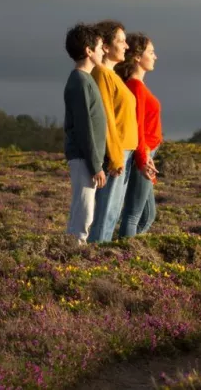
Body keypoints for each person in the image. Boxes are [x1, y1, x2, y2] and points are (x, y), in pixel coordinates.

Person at [88, 19, 138, 242]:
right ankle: (94, 261)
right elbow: (105, 117)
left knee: (112, 214)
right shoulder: (101, 74)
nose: (126, 46)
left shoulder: (113, 75)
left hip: (124, 152)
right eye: (121, 41)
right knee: (105, 214)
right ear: (105, 46)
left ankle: (99, 260)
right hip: (115, 154)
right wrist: (116, 157)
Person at [62, 24, 108, 244]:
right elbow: (83, 127)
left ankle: (73, 248)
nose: (103, 51)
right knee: (84, 211)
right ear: (89, 51)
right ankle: (74, 251)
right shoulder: (80, 82)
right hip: (83, 157)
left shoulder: (86, 80)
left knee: (84, 208)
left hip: (86, 157)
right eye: (99, 47)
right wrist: (96, 166)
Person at [116, 33, 162, 238]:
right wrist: (143, 159)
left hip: (146, 153)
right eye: (151, 52)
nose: (155, 57)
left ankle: (125, 251)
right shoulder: (135, 86)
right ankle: (124, 254)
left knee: (148, 215)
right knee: (133, 215)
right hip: (142, 154)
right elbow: (137, 127)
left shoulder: (138, 86)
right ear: (136, 57)